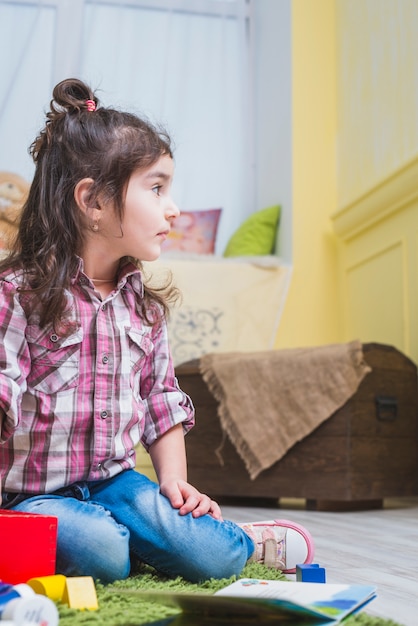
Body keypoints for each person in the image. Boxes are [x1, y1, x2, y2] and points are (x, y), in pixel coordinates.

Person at [0, 78, 314, 584]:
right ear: (94, 202)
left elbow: (161, 399)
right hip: (31, 494)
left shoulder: (144, 308)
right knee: (100, 549)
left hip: (118, 485)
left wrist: (175, 485)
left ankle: (245, 543)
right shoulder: (18, 293)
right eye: (157, 187)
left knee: (208, 555)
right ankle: (128, 541)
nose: (174, 208)